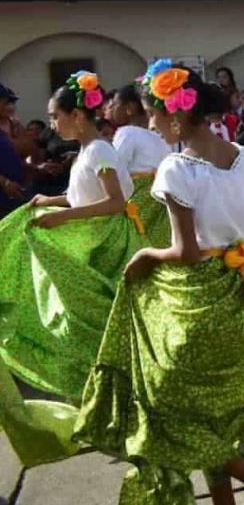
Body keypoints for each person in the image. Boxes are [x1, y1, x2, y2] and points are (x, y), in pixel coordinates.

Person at [73, 65, 244, 505]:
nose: (150, 125)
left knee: (167, 407)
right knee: (211, 411)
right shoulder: (242, 156)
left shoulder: (176, 168)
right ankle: (230, 498)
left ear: (174, 118)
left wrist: (145, 256)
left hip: (202, 300)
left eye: (152, 115)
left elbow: (185, 252)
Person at [0, 71, 142, 399]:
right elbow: (86, 195)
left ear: (76, 115)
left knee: (93, 316)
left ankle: (114, 385)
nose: (51, 124)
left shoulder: (99, 151)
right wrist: (52, 201)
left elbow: (115, 202)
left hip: (106, 242)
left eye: (55, 116)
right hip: (97, 236)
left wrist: (63, 215)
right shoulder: (90, 149)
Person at [108, 83, 174, 246]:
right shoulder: (159, 136)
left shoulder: (127, 132)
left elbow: (115, 167)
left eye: (116, 104)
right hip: (157, 202)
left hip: (137, 199)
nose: (111, 107)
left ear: (129, 108)